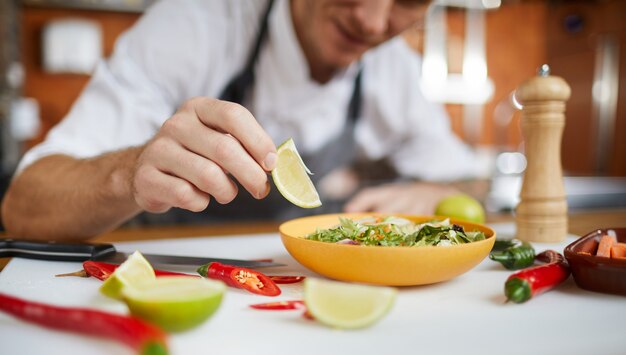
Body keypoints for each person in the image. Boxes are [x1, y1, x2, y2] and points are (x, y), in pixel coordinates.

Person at [1, 0, 479, 241]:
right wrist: (131, 171)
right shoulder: (195, 26)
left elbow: (469, 180)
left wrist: (440, 192)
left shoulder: (391, 67)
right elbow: (23, 206)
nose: (373, 22)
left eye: (410, 0)